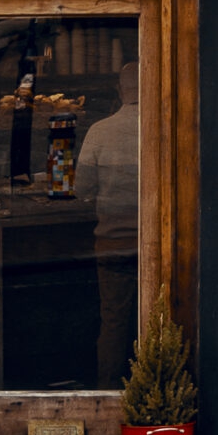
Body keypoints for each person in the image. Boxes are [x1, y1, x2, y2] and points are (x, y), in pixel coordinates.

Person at [75, 59, 143, 386]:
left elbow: (81, 189)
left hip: (113, 244)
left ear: (119, 91)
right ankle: (156, 393)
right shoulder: (164, 128)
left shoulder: (100, 131)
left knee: (114, 323)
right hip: (156, 245)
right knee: (159, 323)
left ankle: (108, 392)